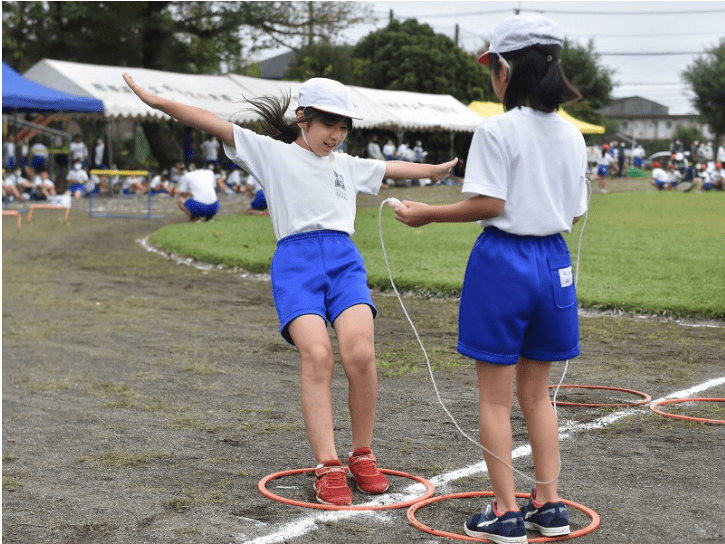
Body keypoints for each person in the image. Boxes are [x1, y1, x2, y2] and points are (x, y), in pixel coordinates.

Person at [122, 72, 457, 506]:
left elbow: (393, 168)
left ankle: (362, 454)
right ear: (303, 118)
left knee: (360, 353)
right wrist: (157, 102)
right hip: (295, 265)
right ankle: (327, 464)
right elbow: (211, 121)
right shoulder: (269, 154)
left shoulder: (348, 165)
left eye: (343, 127)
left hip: (344, 262)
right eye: (328, 124)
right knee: (317, 355)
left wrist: (433, 170)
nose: (336, 135)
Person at [394, 14, 585, 543]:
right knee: (539, 394)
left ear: (504, 69)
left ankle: (505, 514)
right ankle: (548, 505)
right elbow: (571, 213)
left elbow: (489, 203)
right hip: (554, 263)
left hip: (504, 262)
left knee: (495, 399)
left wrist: (427, 214)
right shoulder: (571, 136)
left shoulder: (496, 130)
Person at [176, 155, 219, 222]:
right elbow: (213, 187)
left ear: (193, 165)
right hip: (214, 207)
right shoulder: (210, 173)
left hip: (200, 207)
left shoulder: (188, 175)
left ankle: (195, 218)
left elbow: (183, 192)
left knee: (180, 200)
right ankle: (209, 218)